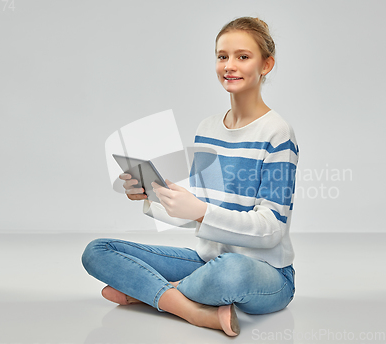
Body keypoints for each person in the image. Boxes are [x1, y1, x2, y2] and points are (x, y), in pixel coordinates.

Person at [82, 16, 299, 337]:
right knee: (98, 251)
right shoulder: (208, 129)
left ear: (266, 65)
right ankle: (192, 309)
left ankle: (151, 294)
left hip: (265, 274)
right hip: (206, 261)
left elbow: (271, 230)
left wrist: (201, 212)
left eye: (243, 56)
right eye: (222, 56)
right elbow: (198, 211)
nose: (229, 65)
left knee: (231, 272)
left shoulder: (278, 133)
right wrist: (151, 197)